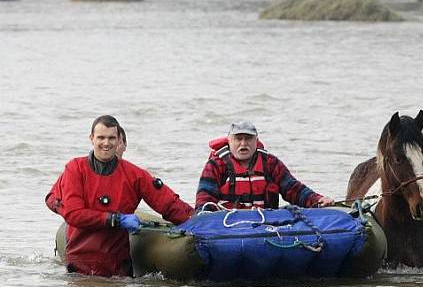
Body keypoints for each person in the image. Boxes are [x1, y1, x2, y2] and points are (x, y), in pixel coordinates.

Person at [48, 115, 194, 277]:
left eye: (111, 138)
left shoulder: (134, 175)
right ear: (91, 139)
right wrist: (116, 219)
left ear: (119, 141)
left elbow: (168, 203)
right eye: (101, 137)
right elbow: (74, 214)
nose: (106, 143)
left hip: (116, 266)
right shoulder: (75, 169)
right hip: (80, 266)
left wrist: (198, 219)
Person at [196, 121, 335, 211]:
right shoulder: (216, 164)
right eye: (238, 139)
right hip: (227, 223)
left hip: (265, 222)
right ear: (230, 141)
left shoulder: (270, 163)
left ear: (256, 141)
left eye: (248, 139)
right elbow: (204, 199)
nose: (243, 144)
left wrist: (317, 200)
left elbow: (293, 189)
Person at [46, 126, 128, 215]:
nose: (108, 144)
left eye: (116, 141)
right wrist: (69, 212)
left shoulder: (132, 175)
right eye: (102, 139)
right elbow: (51, 198)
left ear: (124, 146)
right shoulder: (78, 170)